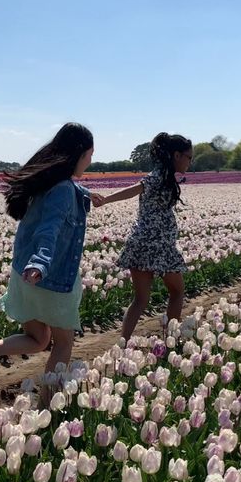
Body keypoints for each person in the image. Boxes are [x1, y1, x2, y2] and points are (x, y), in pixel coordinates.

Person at [0, 123, 101, 397]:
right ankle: (49, 403)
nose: (91, 160)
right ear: (79, 154)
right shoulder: (62, 190)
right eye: (90, 154)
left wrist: (85, 195)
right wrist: (41, 263)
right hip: (50, 277)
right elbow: (49, 230)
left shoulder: (46, 184)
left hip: (23, 278)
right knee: (62, 343)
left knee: (38, 339)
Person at [97, 132, 192, 342]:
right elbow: (134, 189)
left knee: (140, 300)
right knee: (176, 292)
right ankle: (170, 340)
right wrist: (106, 200)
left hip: (139, 243)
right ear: (177, 155)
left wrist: (105, 201)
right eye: (188, 157)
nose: (190, 162)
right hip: (160, 246)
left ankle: (123, 344)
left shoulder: (162, 176)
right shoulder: (158, 176)